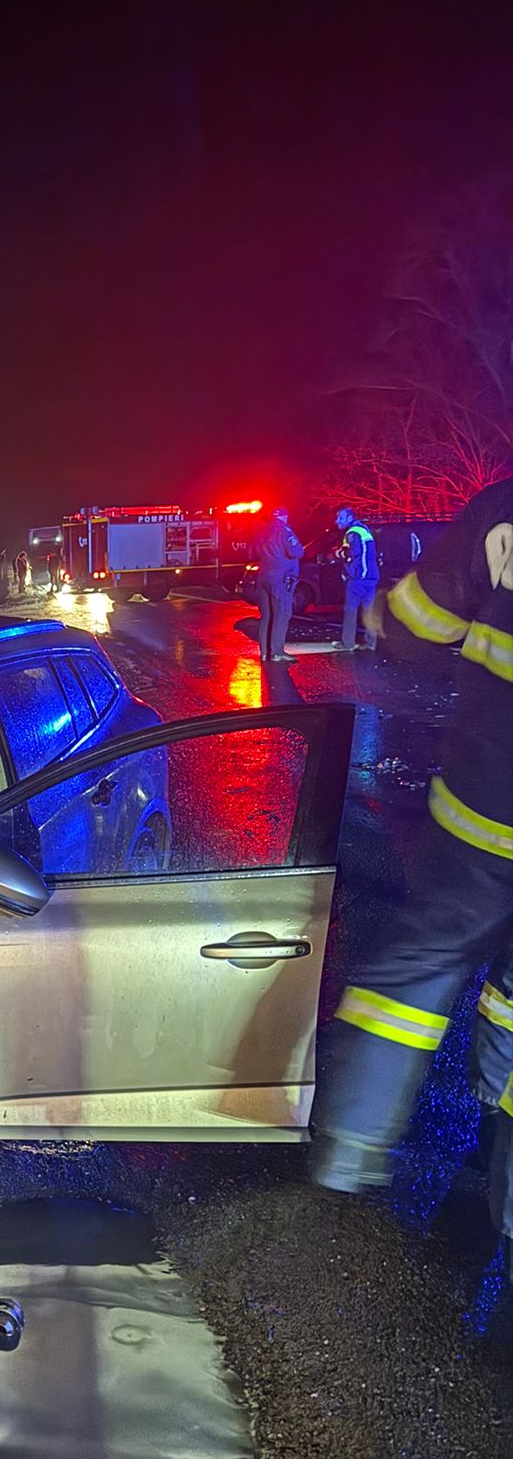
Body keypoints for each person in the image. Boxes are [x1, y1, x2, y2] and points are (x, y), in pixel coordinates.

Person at [311, 476, 513, 1275]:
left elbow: (415, 626)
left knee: (415, 973)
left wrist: (379, 620)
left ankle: (351, 1146)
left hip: (481, 814)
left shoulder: (502, 512)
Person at [252, 505, 302, 663]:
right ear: (285, 517)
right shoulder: (285, 532)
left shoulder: (262, 532)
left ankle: (265, 652)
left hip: (263, 578)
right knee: (282, 614)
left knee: (266, 616)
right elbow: (297, 552)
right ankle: (277, 651)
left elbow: (252, 552)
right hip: (280, 579)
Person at [335, 506, 380, 650]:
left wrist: (339, 553)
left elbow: (352, 552)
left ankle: (347, 643)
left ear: (349, 518)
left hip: (358, 577)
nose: (337, 521)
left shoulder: (352, 532)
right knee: (369, 610)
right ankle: (370, 642)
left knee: (350, 610)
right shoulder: (364, 529)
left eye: (340, 518)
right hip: (371, 576)